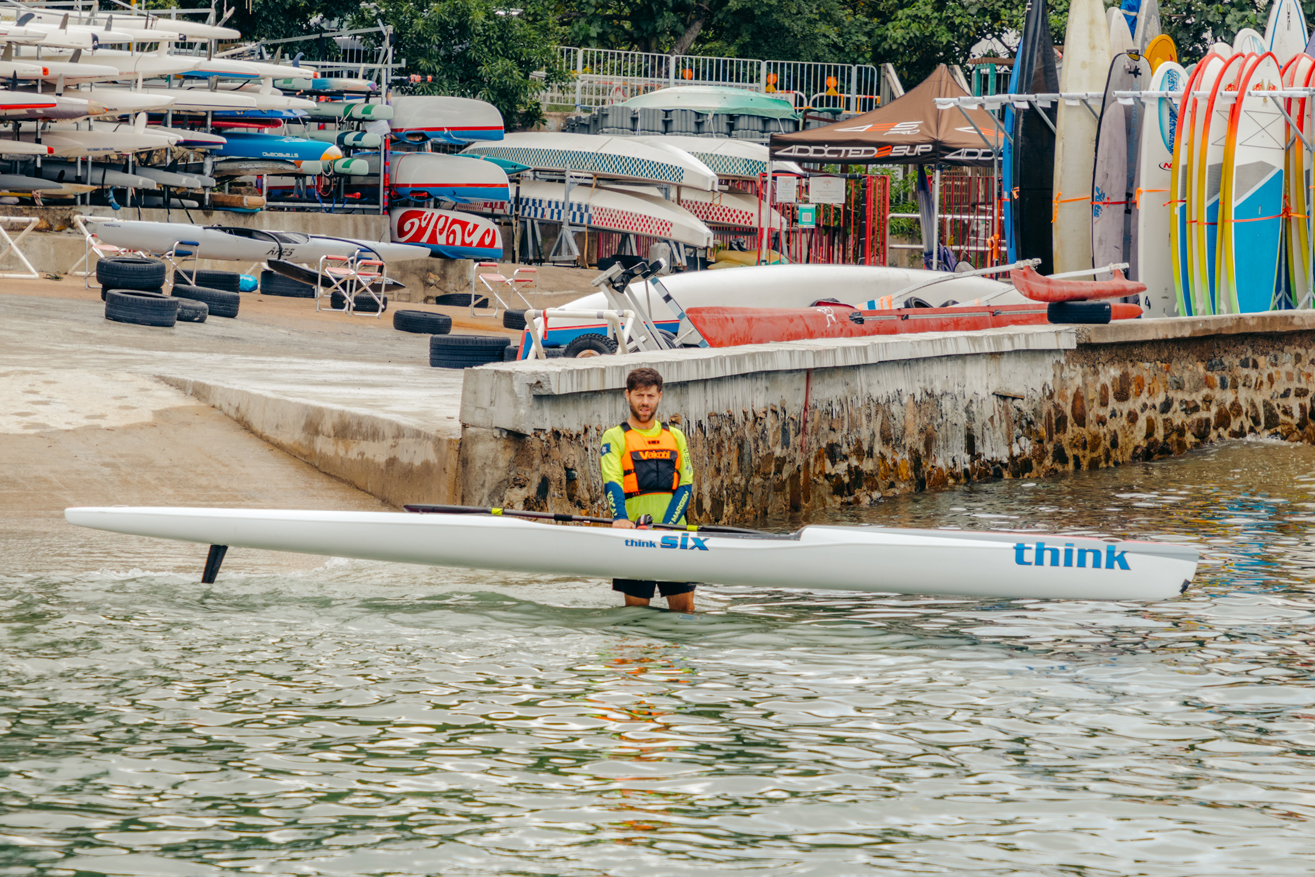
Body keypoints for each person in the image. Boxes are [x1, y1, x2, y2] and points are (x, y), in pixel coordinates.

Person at [600, 367, 696, 612]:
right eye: (639, 395)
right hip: (635, 537)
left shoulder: (676, 436)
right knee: (637, 614)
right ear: (627, 395)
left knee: (684, 609)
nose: (645, 402)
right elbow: (612, 482)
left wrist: (669, 525)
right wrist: (620, 518)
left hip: (675, 536)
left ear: (659, 397)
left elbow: (685, 485)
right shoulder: (614, 437)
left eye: (650, 396)